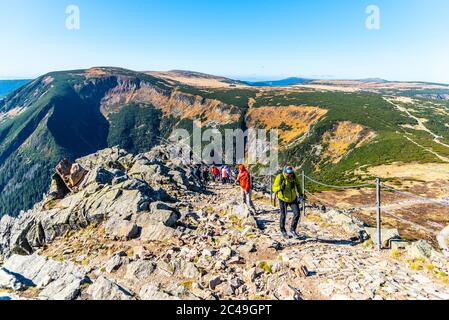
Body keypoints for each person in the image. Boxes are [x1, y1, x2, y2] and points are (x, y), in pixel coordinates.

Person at [272, 166, 304, 239]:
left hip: (293, 198)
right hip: (283, 199)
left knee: (297, 213)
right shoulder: (280, 177)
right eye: (288, 173)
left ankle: (292, 230)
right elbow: (274, 188)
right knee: (283, 214)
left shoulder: (294, 176)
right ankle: (283, 230)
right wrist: (280, 188)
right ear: (284, 172)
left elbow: (298, 185)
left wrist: (301, 194)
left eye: (290, 173)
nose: (289, 175)